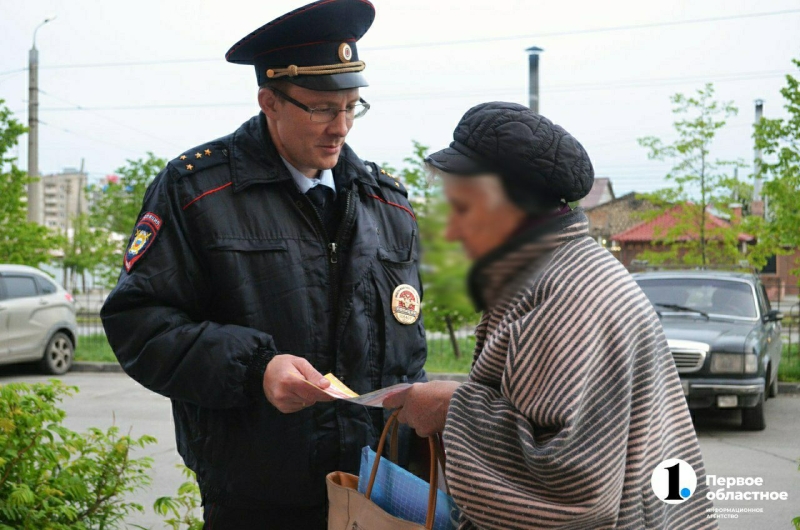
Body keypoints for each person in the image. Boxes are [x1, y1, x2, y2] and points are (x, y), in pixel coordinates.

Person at [100, 1, 427, 528]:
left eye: (352, 106)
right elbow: (139, 324)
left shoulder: (384, 202)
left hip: (373, 494)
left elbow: (407, 343)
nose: (339, 127)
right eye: (321, 107)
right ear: (269, 101)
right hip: (256, 495)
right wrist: (256, 370)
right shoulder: (197, 191)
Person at [384, 102, 716, 529]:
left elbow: (572, 488)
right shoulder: (562, 268)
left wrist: (452, 408)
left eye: (462, 210)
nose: (450, 230)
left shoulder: (566, 297)